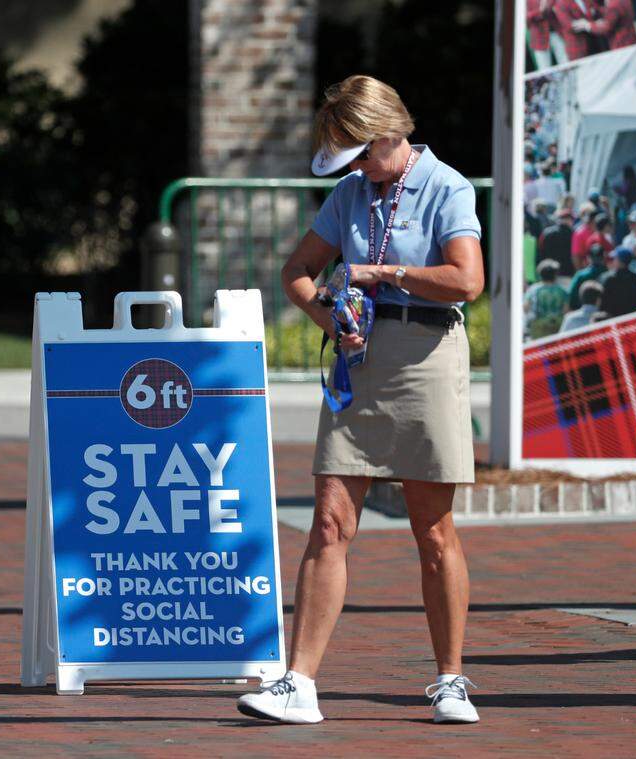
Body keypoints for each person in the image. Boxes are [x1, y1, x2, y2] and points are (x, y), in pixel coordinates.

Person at [236, 75, 484, 726]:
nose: (354, 169)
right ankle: (299, 681)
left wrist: (383, 274)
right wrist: (332, 321)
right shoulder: (350, 192)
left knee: (432, 529)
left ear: (389, 136)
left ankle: (451, 680)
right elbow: (297, 273)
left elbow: (468, 279)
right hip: (359, 361)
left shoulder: (446, 186)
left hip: (427, 358)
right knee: (328, 522)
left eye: (359, 153)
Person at [571, 0, 636, 50]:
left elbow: (606, 27)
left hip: (622, 46)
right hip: (632, 42)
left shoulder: (613, 5)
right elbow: (613, 13)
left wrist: (587, 25)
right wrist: (597, 10)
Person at [599, 247, 636, 317]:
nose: (613, 261)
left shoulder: (608, 280)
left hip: (612, 321)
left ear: (620, 261)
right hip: (632, 321)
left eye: (615, 258)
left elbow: (603, 304)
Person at [524, 259, 567, 338]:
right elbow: (566, 310)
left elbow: (526, 308)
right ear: (555, 274)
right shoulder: (562, 290)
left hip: (538, 327)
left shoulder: (533, 289)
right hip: (557, 326)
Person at [568, 243, 608, 310]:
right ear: (603, 257)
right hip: (605, 314)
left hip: (583, 312)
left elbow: (572, 297)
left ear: (588, 258)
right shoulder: (609, 274)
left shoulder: (581, 275)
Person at [538, 207, 576, 276]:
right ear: (570, 220)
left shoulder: (546, 232)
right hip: (567, 272)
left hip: (548, 272)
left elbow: (540, 251)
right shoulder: (573, 234)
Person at [570, 201, 598, 270]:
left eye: (589, 213)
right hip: (587, 270)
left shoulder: (599, 230)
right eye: (584, 214)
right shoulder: (579, 233)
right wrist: (580, 272)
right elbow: (575, 256)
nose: (587, 216)